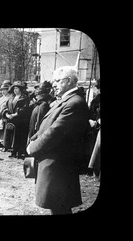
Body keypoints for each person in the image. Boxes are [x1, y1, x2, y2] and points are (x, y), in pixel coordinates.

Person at [26, 66, 90, 215]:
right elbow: (46, 125)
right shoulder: (65, 101)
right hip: (54, 164)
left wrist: (32, 147)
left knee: (60, 208)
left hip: (59, 166)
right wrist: (34, 139)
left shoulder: (74, 103)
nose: (53, 84)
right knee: (57, 207)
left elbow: (55, 132)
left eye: (57, 81)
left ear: (68, 81)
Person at [1, 81, 30, 159]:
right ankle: (13, 151)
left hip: (20, 120)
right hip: (10, 120)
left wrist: (15, 114)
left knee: (19, 136)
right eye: (14, 88)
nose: (15, 90)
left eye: (17, 88)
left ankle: (19, 152)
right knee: (11, 136)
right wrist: (7, 114)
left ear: (20, 89)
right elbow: (5, 107)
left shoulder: (24, 98)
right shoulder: (11, 98)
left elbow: (25, 109)